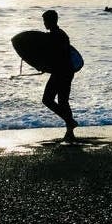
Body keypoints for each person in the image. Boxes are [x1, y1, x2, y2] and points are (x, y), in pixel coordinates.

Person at [40, 9, 78, 141]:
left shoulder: (57, 36)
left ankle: (70, 122)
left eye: (45, 21)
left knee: (48, 99)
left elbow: (60, 56)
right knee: (62, 101)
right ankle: (70, 128)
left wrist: (47, 66)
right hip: (64, 71)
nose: (44, 23)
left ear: (51, 21)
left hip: (62, 72)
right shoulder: (58, 34)